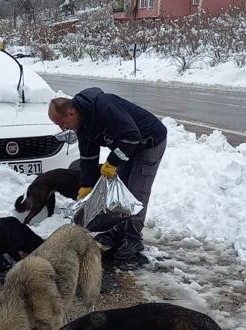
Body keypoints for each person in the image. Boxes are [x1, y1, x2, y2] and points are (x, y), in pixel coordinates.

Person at [48, 88, 167, 262]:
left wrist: (112, 162)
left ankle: (133, 240)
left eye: (61, 122)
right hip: (128, 145)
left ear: (71, 112)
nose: (62, 127)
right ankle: (118, 231)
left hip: (149, 141)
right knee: (121, 190)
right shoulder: (82, 124)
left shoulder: (105, 107)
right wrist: (86, 186)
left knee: (135, 192)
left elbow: (131, 136)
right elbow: (88, 157)